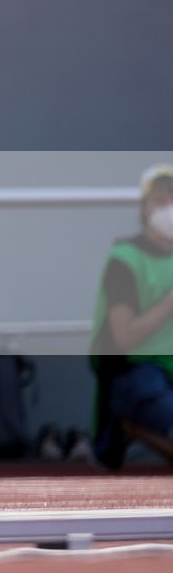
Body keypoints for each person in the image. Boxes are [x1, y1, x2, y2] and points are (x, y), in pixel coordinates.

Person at [90, 164, 173, 467]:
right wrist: (168, 304)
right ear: (143, 210)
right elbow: (123, 335)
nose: (170, 209)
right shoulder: (125, 260)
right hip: (139, 374)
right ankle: (125, 426)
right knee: (147, 391)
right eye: (162, 201)